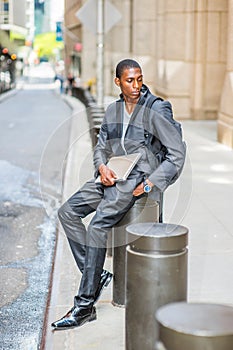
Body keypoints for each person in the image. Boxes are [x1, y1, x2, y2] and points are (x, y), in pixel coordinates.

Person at [51, 59, 186, 330]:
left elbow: (177, 154)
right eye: (129, 81)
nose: (136, 86)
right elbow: (101, 146)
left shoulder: (156, 109)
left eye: (139, 79)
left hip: (136, 179)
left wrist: (150, 184)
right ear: (118, 82)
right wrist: (101, 167)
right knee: (67, 212)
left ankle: (84, 304)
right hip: (112, 174)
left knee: (98, 226)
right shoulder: (113, 110)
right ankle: (97, 273)